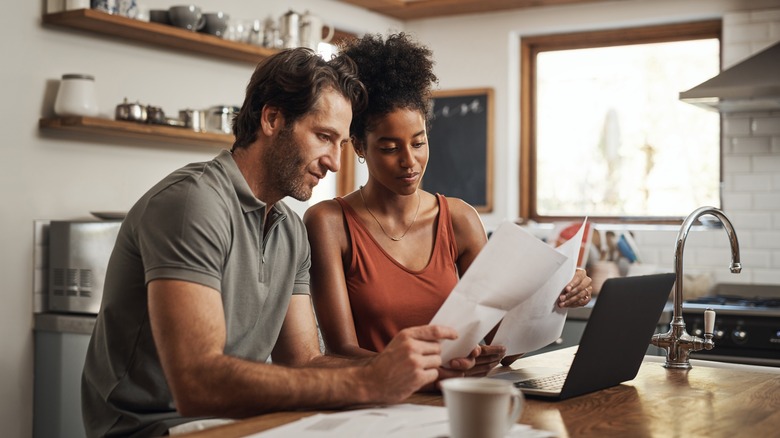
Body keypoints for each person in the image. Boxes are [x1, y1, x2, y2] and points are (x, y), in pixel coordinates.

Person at [81, 47, 460, 437]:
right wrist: (367, 383)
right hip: (152, 428)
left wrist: (412, 370)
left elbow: (303, 362)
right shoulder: (193, 203)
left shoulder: (290, 230)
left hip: (242, 423)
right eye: (323, 137)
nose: (333, 162)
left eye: (341, 145)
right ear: (272, 118)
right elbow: (198, 383)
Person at [304, 33, 593, 377]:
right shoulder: (328, 222)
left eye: (418, 142)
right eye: (389, 147)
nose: (409, 161)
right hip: (377, 405)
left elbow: (502, 344)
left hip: (456, 399)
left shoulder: (459, 219)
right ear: (360, 147)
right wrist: (430, 370)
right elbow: (340, 353)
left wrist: (556, 296)